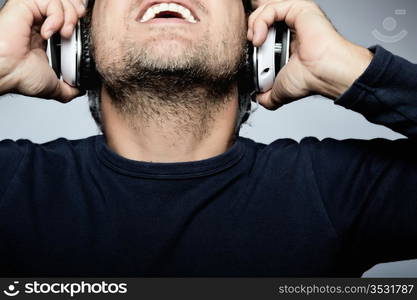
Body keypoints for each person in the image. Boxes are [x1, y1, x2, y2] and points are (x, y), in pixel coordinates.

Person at [0, 0, 415, 277]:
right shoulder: (10, 184)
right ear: (77, 43)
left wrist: (348, 69)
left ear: (264, 39)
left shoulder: (337, 189)